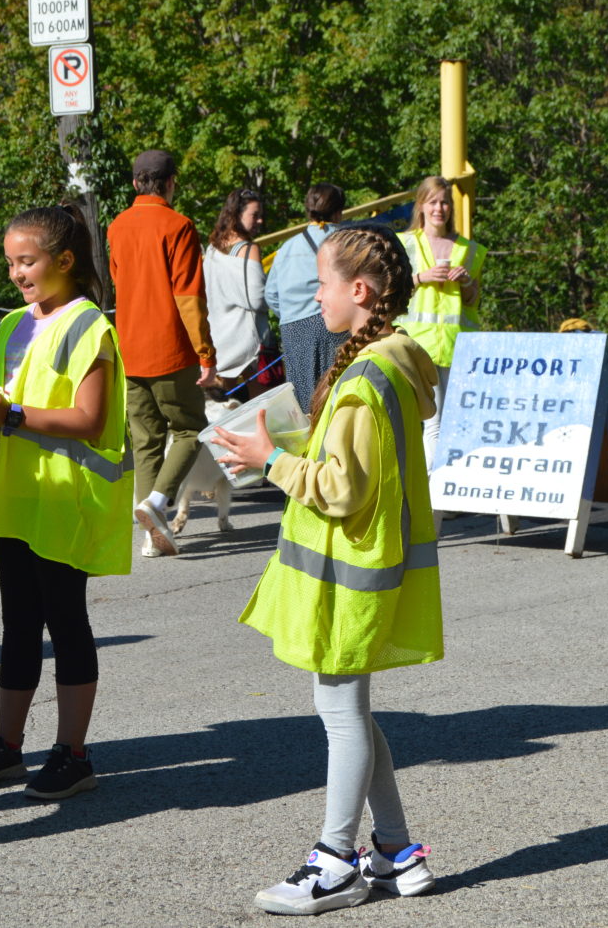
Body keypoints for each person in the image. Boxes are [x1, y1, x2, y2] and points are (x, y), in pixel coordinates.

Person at [211, 224, 442, 916]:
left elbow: (342, 488)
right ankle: (397, 850)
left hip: (350, 574)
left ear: (361, 291)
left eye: (322, 284)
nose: (315, 296)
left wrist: (270, 461)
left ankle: (336, 860)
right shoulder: (391, 364)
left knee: (340, 714)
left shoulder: (365, 377)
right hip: (362, 570)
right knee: (350, 712)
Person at [0, 203, 131, 799]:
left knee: (66, 621)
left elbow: (89, 418)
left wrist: (16, 414)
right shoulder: (11, 326)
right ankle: (6, 747)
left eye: (26, 261)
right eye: (9, 262)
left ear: (65, 260)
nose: (15, 273)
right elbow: (11, 395)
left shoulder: (89, 326)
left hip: (63, 501)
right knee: (19, 623)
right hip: (15, 495)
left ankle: (73, 753)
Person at [106, 149, 217, 558]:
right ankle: (156, 503)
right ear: (171, 182)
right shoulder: (179, 226)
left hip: (130, 348)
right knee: (190, 430)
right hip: (171, 350)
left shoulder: (117, 227)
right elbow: (188, 297)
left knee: (146, 442)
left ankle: (151, 539)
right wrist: (205, 352)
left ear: (136, 183)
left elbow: (119, 280)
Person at [398, 175, 487, 467]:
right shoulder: (404, 243)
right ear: (420, 206)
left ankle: (441, 493)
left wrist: (466, 283)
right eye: (433, 201)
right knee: (430, 423)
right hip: (414, 345)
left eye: (445, 202)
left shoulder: (468, 249)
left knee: (451, 421)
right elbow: (389, 289)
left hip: (456, 347)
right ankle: (435, 498)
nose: (440, 208)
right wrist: (420, 278)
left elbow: (474, 300)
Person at [265, 183, 348, 413]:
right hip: (330, 325)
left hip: (293, 329)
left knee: (304, 401)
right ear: (338, 211)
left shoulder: (288, 246)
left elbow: (270, 294)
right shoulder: (343, 241)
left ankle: (307, 447)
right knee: (333, 393)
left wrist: (292, 313)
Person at [204, 188, 272, 400]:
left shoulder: (213, 248)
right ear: (236, 215)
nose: (259, 220)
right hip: (248, 341)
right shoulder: (248, 249)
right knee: (263, 404)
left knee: (228, 406)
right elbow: (258, 298)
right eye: (254, 215)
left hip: (220, 337)